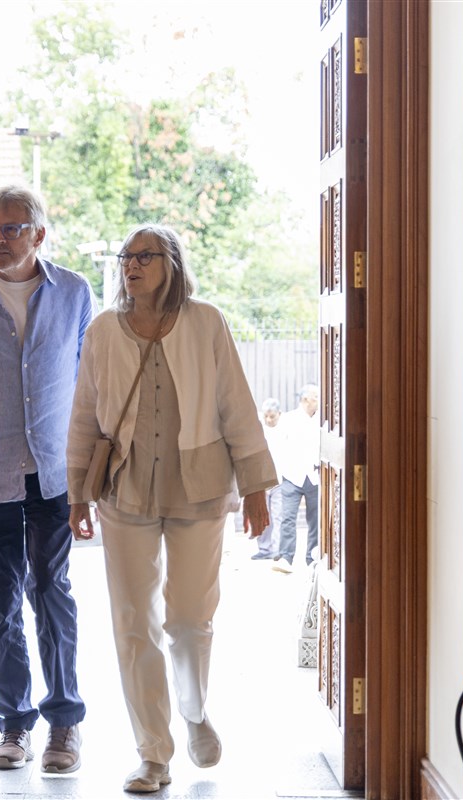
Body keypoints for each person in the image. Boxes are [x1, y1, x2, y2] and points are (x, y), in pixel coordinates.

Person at [66, 223, 276, 793]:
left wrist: (255, 486)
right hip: (123, 488)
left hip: (198, 485)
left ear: (172, 263)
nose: (132, 265)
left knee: (188, 619)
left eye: (145, 256)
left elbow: (236, 403)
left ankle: (193, 708)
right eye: (126, 257)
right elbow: (84, 413)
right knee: (134, 623)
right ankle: (153, 753)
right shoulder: (102, 329)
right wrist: (77, 493)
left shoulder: (206, 321)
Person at [0, 185, 93, 774]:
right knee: (0, 604)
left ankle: (64, 724)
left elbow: (90, 385)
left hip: (55, 474)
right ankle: (14, 724)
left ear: (39, 234)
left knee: (52, 592)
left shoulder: (74, 292)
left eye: (11, 228)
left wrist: (87, 476)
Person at [272, 383, 320, 573]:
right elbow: (277, 447)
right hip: (292, 476)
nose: (319, 401)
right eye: (316, 397)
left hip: (315, 476)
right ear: (306, 399)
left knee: (315, 519)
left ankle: (312, 558)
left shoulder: (322, 421)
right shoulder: (289, 419)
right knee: (288, 517)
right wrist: (278, 475)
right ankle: (286, 557)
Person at [250, 397, 284, 560]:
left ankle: (277, 550)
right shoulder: (257, 430)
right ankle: (264, 549)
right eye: (266, 416)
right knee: (263, 516)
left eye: (272, 416)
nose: (269, 420)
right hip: (261, 481)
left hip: (280, 480)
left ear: (279, 414)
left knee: (278, 516)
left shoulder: (285, 430)